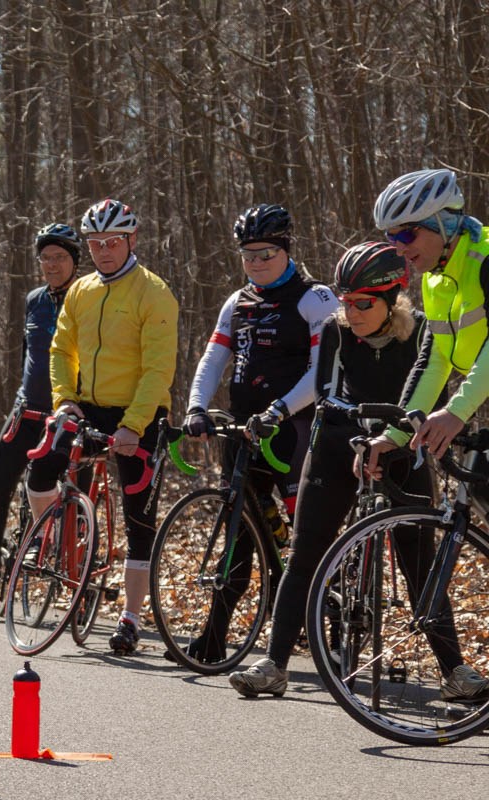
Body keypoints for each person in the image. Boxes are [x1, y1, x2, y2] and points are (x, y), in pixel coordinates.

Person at [228, 241, 488, 699]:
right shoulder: (336, 329)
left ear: (393, 299)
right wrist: (363, 423)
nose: (352, 312)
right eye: (346, 301)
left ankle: (455, 671)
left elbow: (434, 390)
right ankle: (274, 663)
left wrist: (398, 431)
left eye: (364, 303)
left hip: (401, 447)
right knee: (307, 551)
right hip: (337, 442)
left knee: (420, 561)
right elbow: (326, 392)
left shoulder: (423, 331)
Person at [180, 204, 338, 662]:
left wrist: (281, 408)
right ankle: (214, 638)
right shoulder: (238, 301)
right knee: (239, 536)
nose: (255, 262)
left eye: (265, 253)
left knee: (308, 534)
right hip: (244, 432)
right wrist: (196, 405)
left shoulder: (316, 298)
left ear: (286, 249)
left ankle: (333, 627)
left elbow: (323, 370)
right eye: (247, 254)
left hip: (295, 427)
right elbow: (213, 360)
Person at [25, 198, 178, 655]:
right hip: (86, 406)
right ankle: (57, 541)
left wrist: (133, 426)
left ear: (132, 240)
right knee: (39, 472)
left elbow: (157, 369)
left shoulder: (154, 292)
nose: (103, 250)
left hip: (141, 412)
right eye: (95, 243)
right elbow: (60, 351)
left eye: (112, 242)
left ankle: (130, 617)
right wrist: (65, 401)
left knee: (138, 516)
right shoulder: (82, 290)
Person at [0, 223, 81, 597]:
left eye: (60, 258)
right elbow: (28, 356)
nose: (52, 265)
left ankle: (70, 563)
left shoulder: (86, 299)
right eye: (46, 258)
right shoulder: (34, 299)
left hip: (67, 411)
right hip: (28, 408)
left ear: (75, 261)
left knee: (66, 485)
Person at [364, 168, 489, 476]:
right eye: (391, 237)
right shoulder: (435, 279)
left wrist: (457, 412)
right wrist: (396, 434)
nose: (398, 248)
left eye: (406, 234)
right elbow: (434, 362)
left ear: (443, 224)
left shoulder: (485, 258)